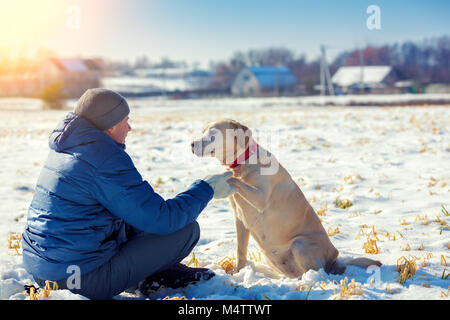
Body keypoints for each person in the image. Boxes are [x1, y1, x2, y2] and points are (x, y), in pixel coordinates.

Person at [21, 88, 235, 299]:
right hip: (80, 280)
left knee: (135, 221)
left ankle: (154, 271)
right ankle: (148, 276)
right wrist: (207, 188)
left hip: (41, 270)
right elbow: (163, 219)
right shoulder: (104, 158)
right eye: (126, 120)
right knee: (184, 230)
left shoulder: (68, 147)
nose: (130, 127)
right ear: (111, 124)